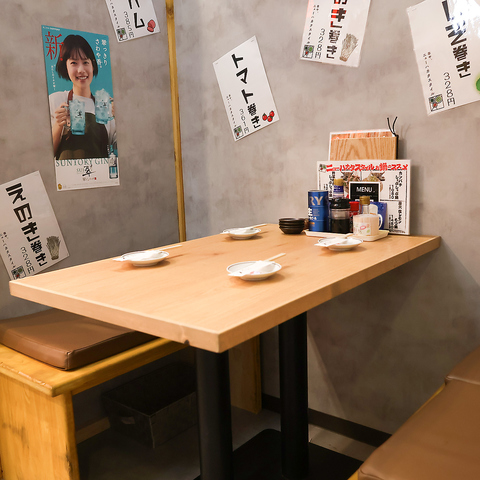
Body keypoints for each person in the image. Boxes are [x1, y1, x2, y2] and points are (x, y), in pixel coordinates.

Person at [49, 34, 116, 160]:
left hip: (100, 173)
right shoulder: (55, 100)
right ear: (65, 67)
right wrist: (58, 125)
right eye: (74, 63)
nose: (81, 70)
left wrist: (123, 120)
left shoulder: (106, 105)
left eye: (85, 62)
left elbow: (121, 148)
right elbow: (43, 155)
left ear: (93, 66)